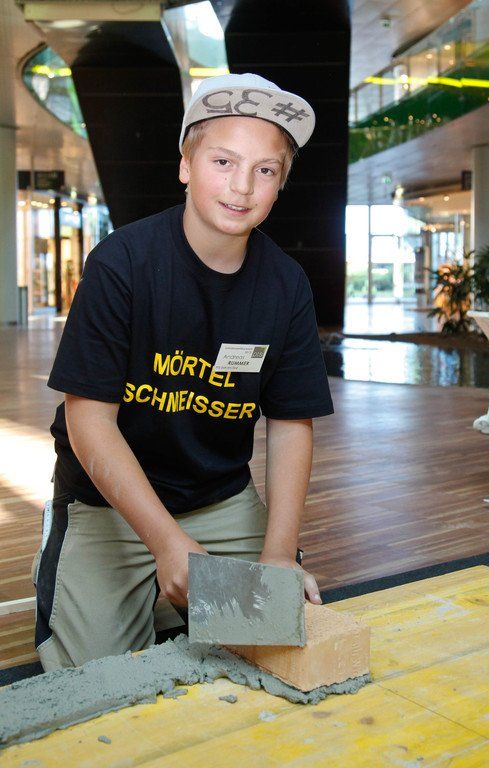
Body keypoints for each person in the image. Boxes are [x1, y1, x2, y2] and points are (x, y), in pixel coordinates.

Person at [34, 73, 334, 671]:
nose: (242, 186)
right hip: (107, 501)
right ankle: (124, 581)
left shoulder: (286, 285)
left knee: (278, 646)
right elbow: (88, 421)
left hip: (218, 498)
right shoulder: (121, 263)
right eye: (223, 161)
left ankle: (173, 602)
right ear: (186, 166)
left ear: (280, 184)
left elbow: (290, 423)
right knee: (94, 680)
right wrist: (167, 544)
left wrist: (279, 553)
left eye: (266, 170)